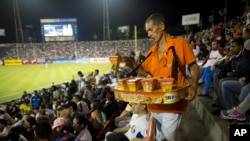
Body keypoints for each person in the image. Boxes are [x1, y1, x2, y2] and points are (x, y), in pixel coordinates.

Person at [136, 13, 199, 141]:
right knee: (158, 137)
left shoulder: (180, 43)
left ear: (162, 26)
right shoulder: (151, 52)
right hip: (153, 106)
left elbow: (193, 67)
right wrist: (130, 63)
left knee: (166, 139)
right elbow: (141, 73)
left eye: (150, 29)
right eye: (147, 31)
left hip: (172, 106)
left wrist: (193, 85)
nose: (148, 35)